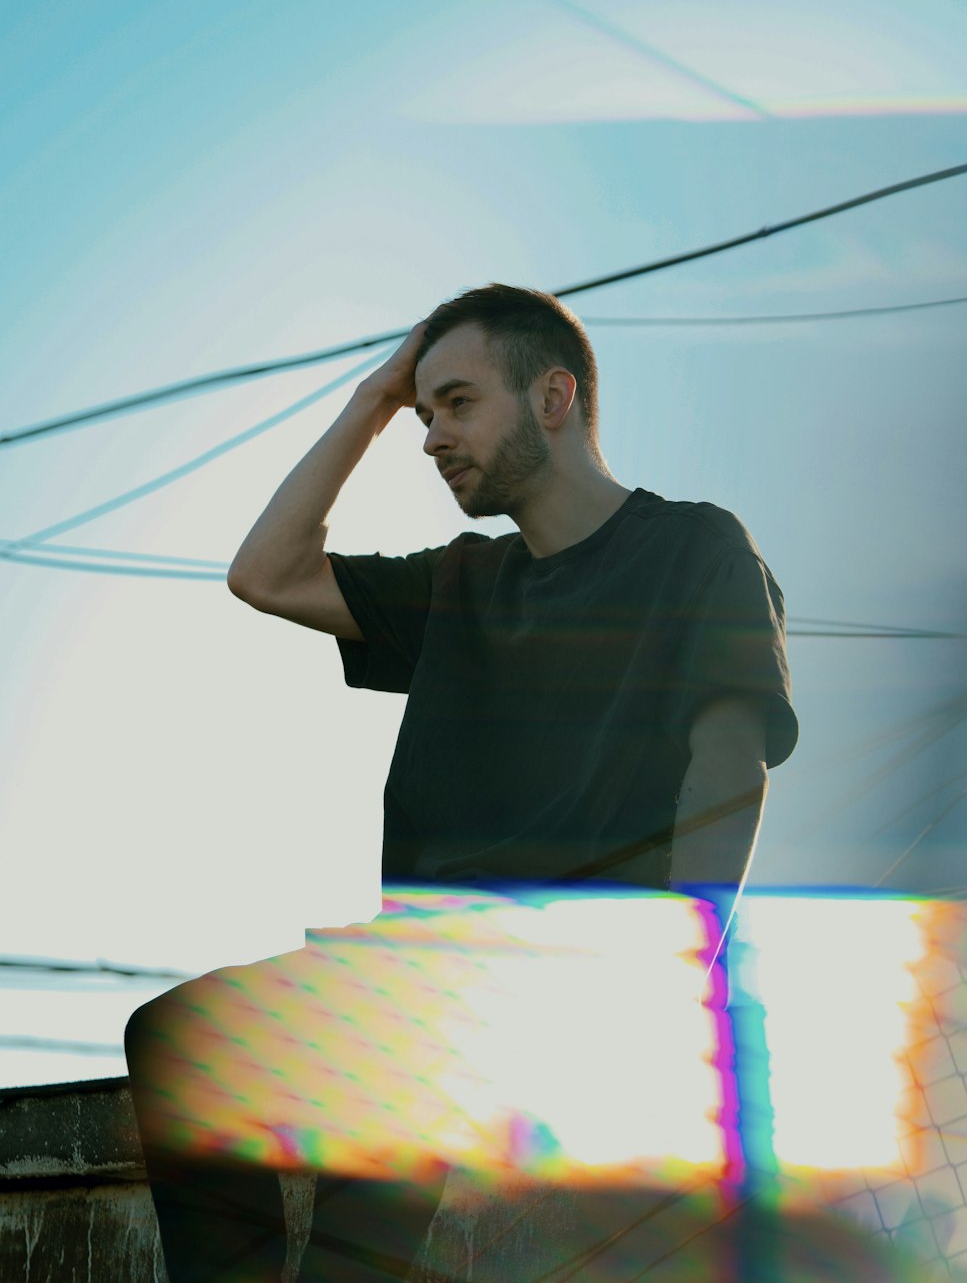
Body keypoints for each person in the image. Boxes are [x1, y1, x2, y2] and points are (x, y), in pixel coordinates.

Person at [125, 283, 797, 1282]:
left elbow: (727, 758)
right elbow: (265, 574)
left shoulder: (691, 547)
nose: (432, 434)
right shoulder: (460, 584)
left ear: (553, 399)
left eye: (457, 402)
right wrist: (373, 399)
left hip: (572, 968)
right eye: (425, 410)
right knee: (183, 1039)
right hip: (412, 989)